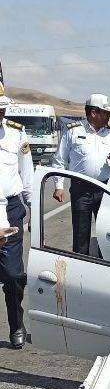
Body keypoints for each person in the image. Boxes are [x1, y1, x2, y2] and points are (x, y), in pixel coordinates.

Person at [52, 94, 110, 256]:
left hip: (105, 189)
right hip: (80, 189)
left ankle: (105, 264)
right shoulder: (73, 131)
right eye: (106, 112)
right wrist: (58, 186)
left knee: (107, 233)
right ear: (93, 113)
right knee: (80, 233)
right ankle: (80, 265)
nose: (109, 116)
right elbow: (60, 159)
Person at [0, 84, 33, 349]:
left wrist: (34, 208)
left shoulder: (16, 134)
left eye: (2, 110)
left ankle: (16, 323)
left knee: (12, 275)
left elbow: (27, 174)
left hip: (10, 210)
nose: (0, 115)